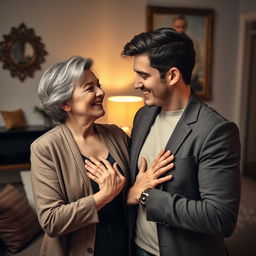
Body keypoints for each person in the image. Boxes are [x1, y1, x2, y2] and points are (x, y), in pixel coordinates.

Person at [30, 56, 174, 256]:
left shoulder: (116, 134)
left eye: (99, 85)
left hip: (124, 248)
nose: (101, 92)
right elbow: (51, 222)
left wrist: (134, 190)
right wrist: (105, 196)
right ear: (65, 104)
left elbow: (133, 188)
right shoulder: (45, 148)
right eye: (89, 88)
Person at [121, 27, 241, 256]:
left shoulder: (216, 131)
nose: (136, 84)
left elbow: (221, 218)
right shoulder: (143, 115)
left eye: (144, 75)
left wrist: (146, 195)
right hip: (136, 247)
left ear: (173, 75)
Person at [172, 15, 203, 91]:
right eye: (178, 27)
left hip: (191, 80)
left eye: (183, 27)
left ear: (186, 27)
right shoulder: (169, 43)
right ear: (173, 27)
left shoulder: (194, 43)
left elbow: (198, 62)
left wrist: (190, 74)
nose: (180, 29)